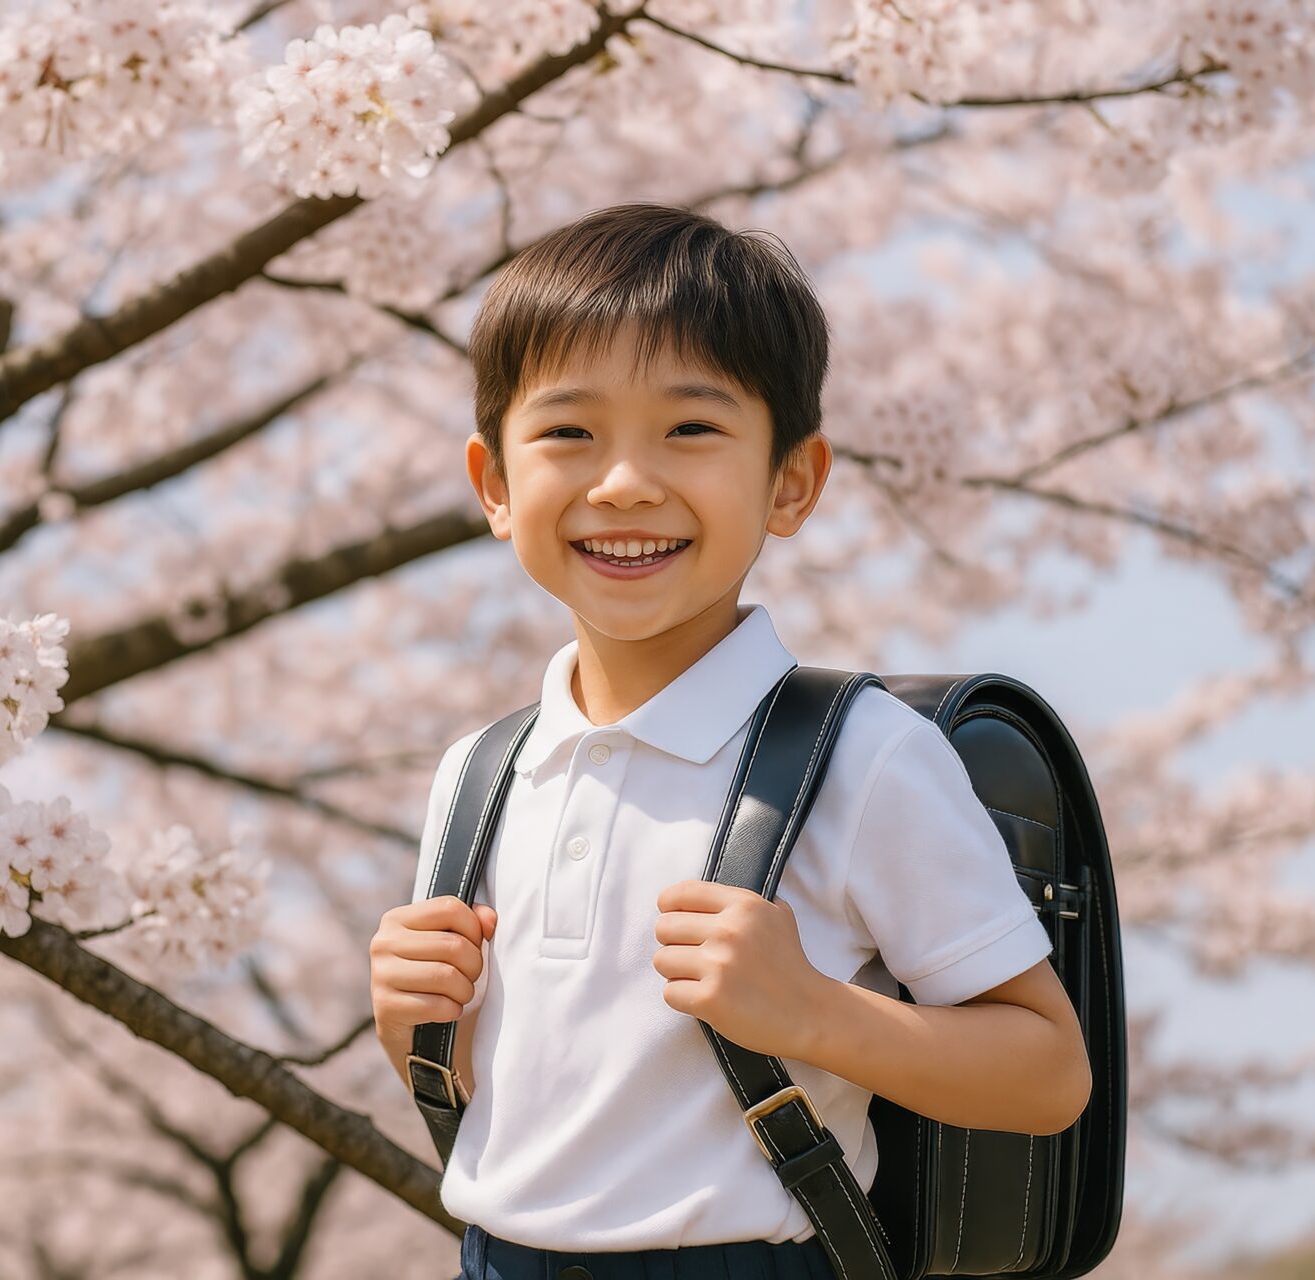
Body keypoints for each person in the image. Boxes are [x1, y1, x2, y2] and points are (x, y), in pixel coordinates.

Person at [368, 202, 1093, 1280]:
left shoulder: (862, 755)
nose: (624, 481)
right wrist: (416, 1028)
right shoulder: (481, 772)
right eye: (569, 431)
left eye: (692, 428)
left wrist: (810, 1010)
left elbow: (1046, 1073)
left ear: (792, 480)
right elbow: (540, 1090)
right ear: (495, 485)